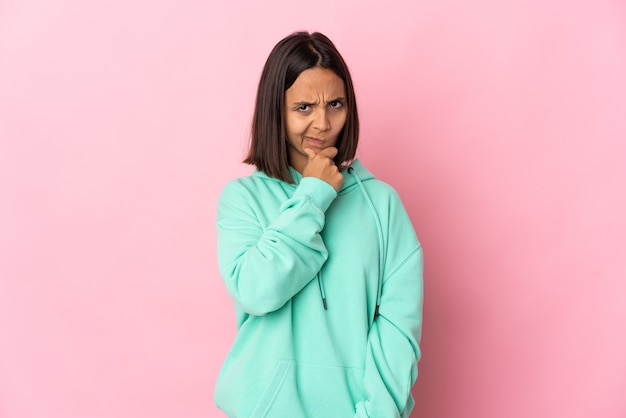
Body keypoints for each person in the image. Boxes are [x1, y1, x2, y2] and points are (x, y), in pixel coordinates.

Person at [214, 31, 424, 418]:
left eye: (335, 104)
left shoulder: (382, 204)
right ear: (275, 110)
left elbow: (398, 330)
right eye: (304, 107)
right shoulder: (243, 199)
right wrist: (312, 196)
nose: (323, 123)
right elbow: (255, 290)